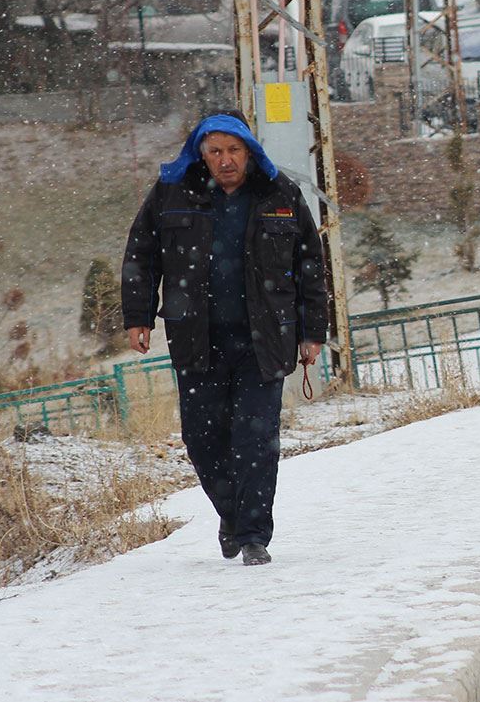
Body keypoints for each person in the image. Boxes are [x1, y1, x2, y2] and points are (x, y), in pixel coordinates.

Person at [121, 111, 328, 567]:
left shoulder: (280, 194)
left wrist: (314, 330)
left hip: (265, 341)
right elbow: (141, 253)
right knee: (203, 440)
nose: (225, 160)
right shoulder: (173, 195)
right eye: (215, 151)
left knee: (255, 442)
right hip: (197, 340)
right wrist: (137, 317)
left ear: (249, 152)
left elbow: (311, 263)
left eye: (234, 150)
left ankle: (254, 535)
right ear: (201, 154)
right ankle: (232, 516)